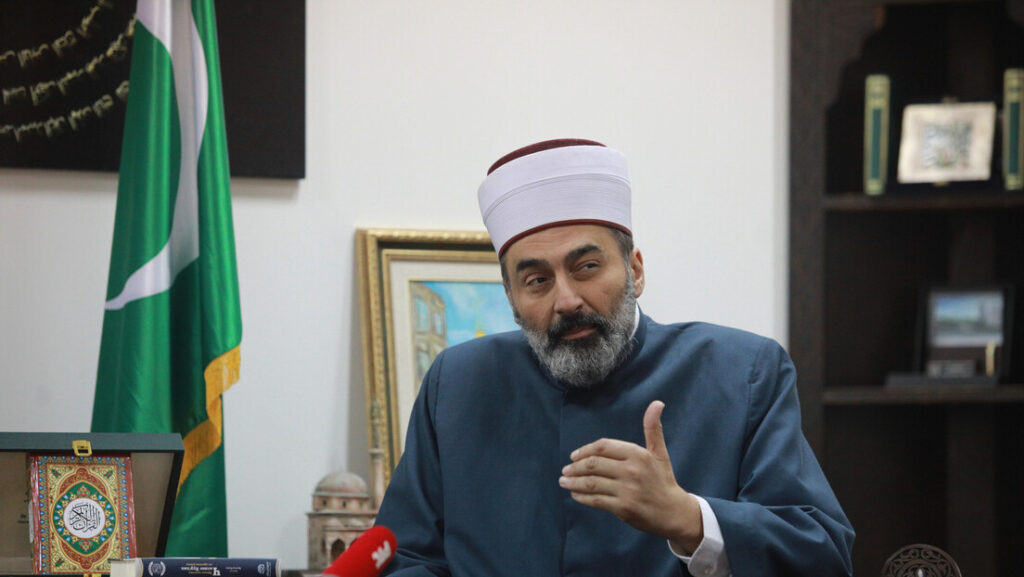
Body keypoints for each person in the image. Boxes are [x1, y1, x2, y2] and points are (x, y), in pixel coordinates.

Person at [374, 139, 854, 577]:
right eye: (537, 281)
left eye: (586, 267)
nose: (566, 301)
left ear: (635, 271)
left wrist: (688, 518)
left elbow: (823, 555)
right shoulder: (457, 382)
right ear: (511, 298)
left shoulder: (743, 372)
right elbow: (407, 557)